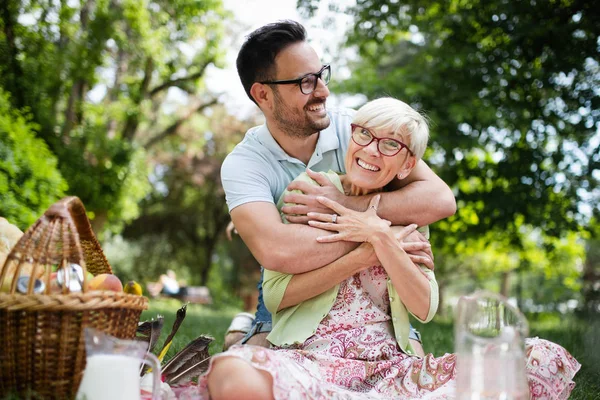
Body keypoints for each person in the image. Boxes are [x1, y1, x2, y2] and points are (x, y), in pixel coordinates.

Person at [185, 98, 579, 399]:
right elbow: (276, 296)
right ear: (351, 136)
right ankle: (245, 334)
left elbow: (425, 307)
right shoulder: (310, 192)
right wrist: (367, 248)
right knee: (231, 371)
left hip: (393, 369)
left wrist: (382, 234)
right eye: (365, 135)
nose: (372, 150)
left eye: (391, 144)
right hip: (312, 361)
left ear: (408, 165)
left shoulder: (412, 214)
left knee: (537, 357)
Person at [220, 19, 456, 356]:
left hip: (378, 294)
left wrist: (347, 206)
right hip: (297, 286)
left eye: (321, 75)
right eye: (305, 82)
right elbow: (278, 252)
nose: (323, 91)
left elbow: (440, 200)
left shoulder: (360, 130)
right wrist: (380, 239)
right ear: (263, 94)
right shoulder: (244, 164)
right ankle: (245, 329)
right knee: (248, 362)